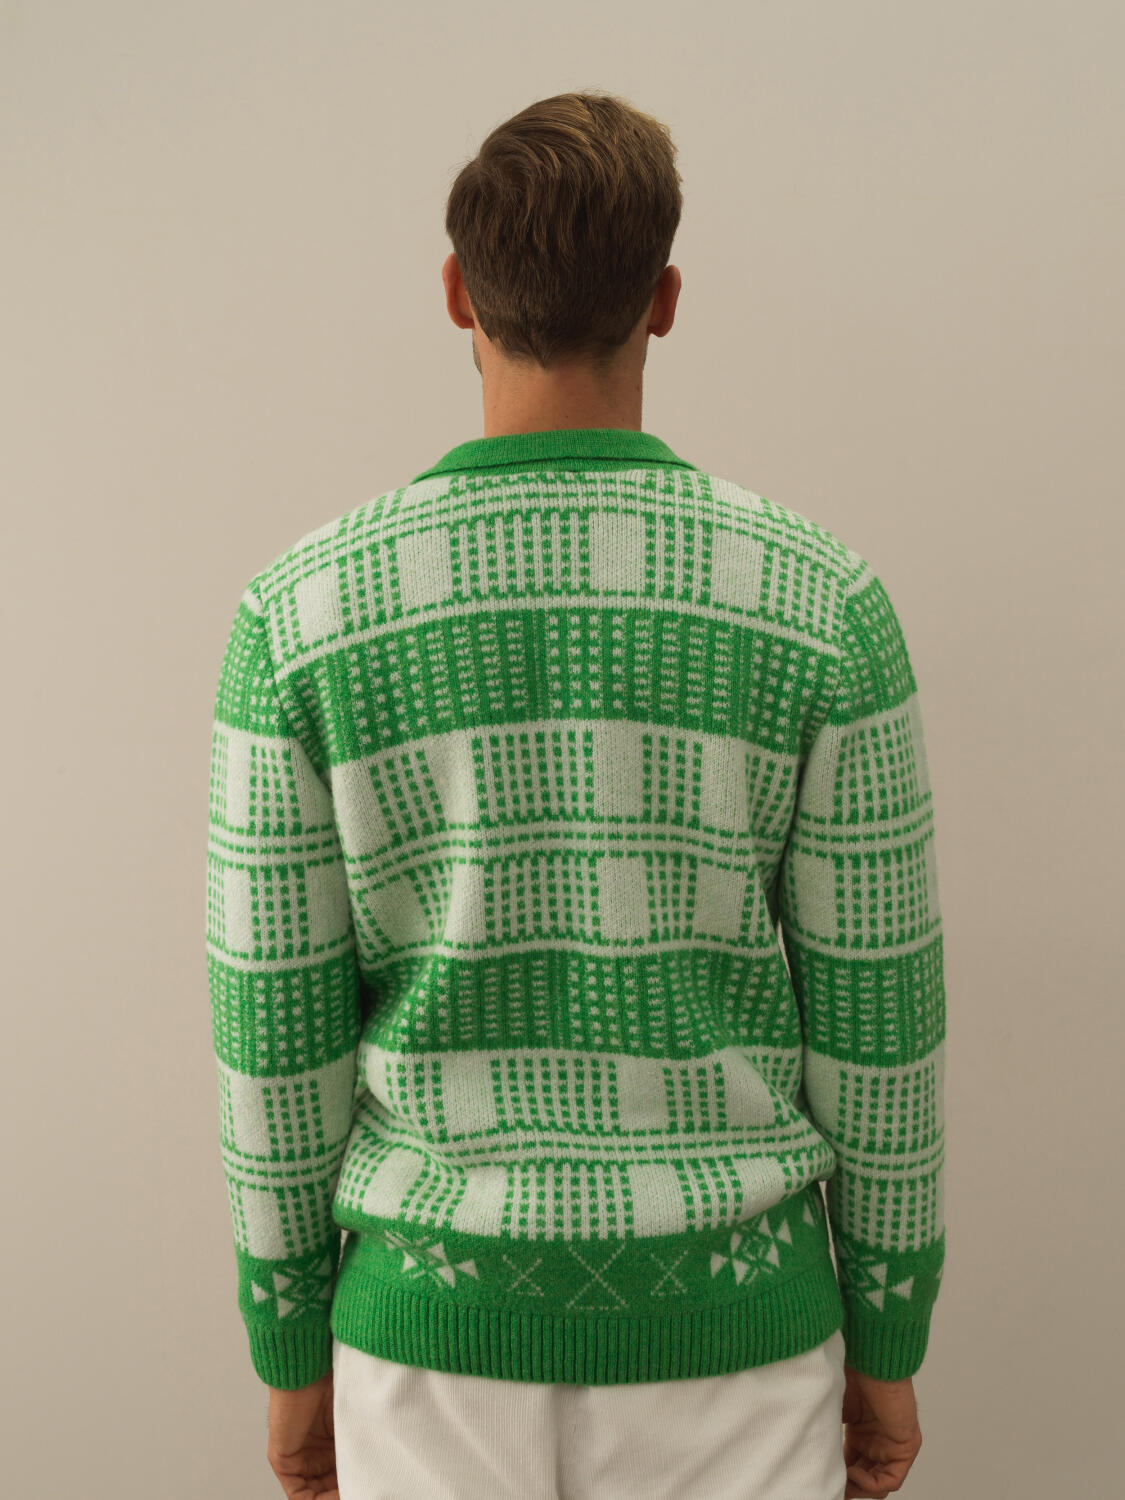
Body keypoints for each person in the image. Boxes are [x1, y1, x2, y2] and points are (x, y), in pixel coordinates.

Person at [205, 90, 946, 1500]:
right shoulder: (819, 605)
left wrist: (289, 1357)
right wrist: (889, 1332)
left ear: (456, 293)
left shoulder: (300, 618)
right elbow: (880, 1021)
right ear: (662, 299)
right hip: (735, 1356)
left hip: (426, 1358)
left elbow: (273, 1036)